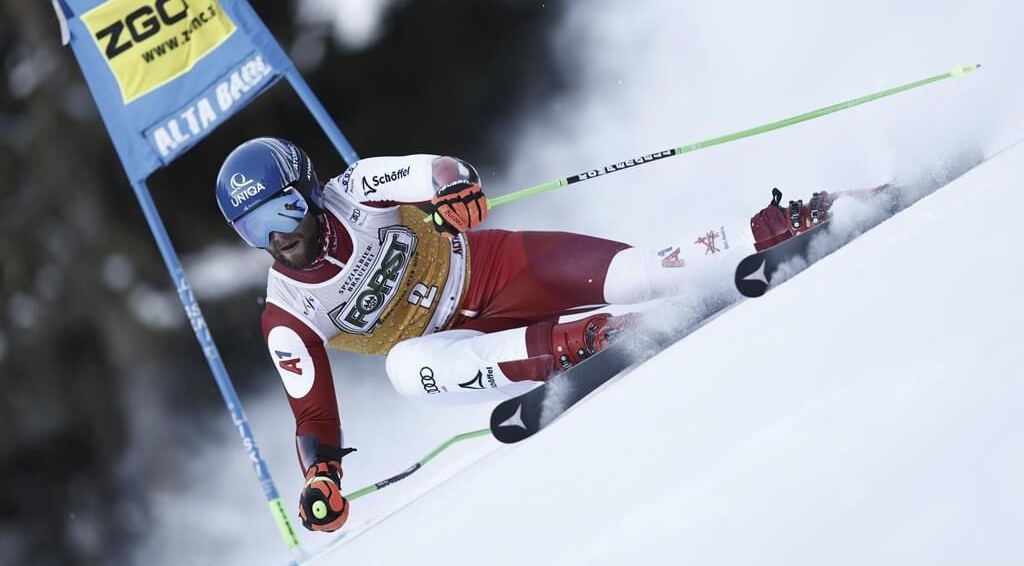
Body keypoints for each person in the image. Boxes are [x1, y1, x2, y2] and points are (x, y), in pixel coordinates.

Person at [214, 137, 829, 532]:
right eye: (253, 229)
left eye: (283, 210)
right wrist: (322, 478)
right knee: (405, 367)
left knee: (639, 271)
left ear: (309, 191)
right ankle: (594, 339)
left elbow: (436, 171)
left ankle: (787, 226)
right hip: (452, 349)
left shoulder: (356, 191)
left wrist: (456, 192)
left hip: (497, 271)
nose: (278, 237)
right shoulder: (286, 311)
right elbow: (313, 415)